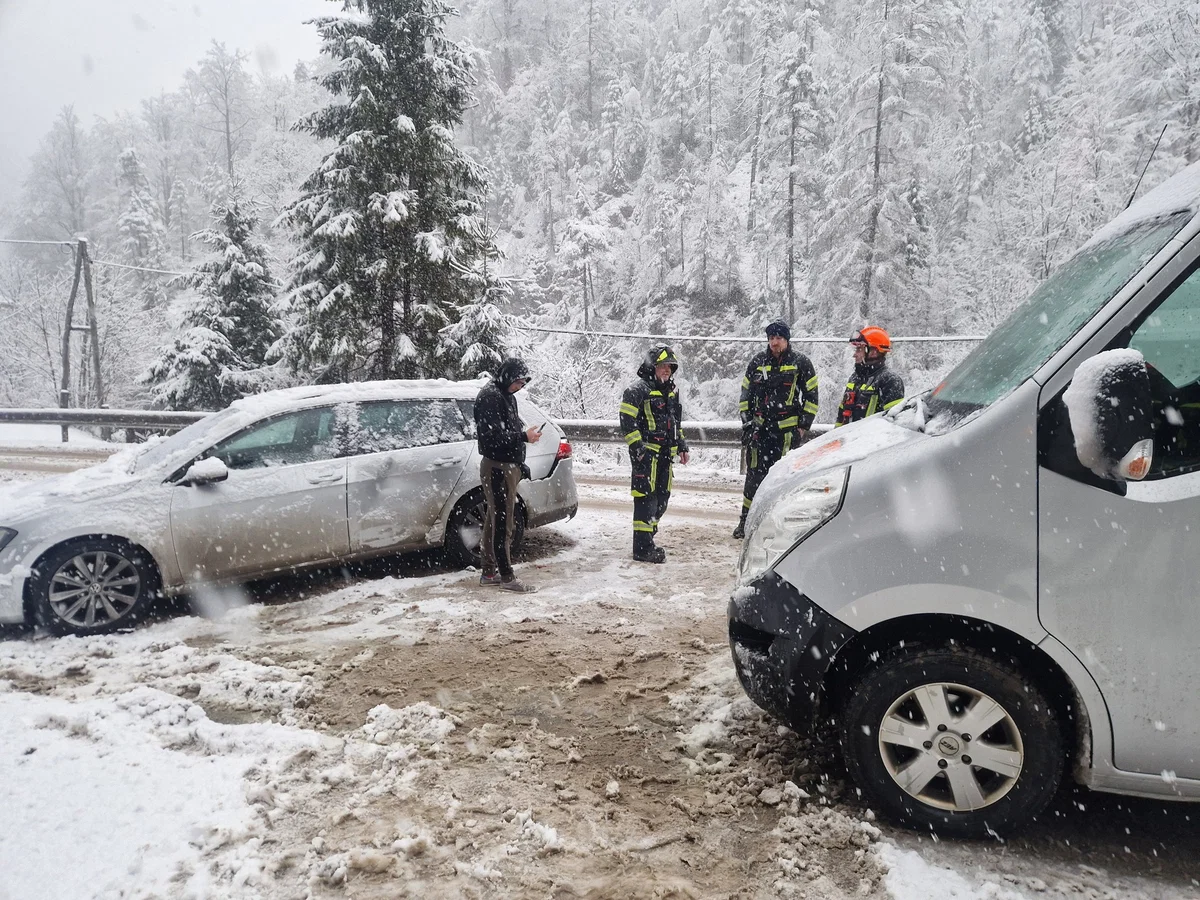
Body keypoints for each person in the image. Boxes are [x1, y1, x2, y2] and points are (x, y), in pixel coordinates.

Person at [733, 320, 819, 539]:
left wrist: (802, 428)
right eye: (771, 338)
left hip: (786, 436)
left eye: (779, 338)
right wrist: (747, 423)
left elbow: (812, 397)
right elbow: (745, 396)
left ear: (787, 340)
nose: (774, 342)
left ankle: (778, 524)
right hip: (759, 433)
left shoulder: (801, 363)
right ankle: (746, 521)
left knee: (783, 480)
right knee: (754, 478)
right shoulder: (757, 363)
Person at [473, 358, 541, 592]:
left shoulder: (506, 396)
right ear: (506, 376)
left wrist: (520, 459)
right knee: (503, 522)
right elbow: (493, 437)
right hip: (497, 467)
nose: (519, 387)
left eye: (522, 383)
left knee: (495, 521)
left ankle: (490, 571)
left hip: (507, 465)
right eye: (517, 382)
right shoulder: (490, 397)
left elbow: (509, 430)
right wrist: (523, 437)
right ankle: (506, 577)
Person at [619, 346, 690, 563]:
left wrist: (682, 445)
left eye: (669, 366)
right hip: (646, 457)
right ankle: (642, 549)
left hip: (665, 457)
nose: (666, 370)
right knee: (645, 501)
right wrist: (639, 450)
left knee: (661, 500)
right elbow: (626, 421)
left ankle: (648, 538)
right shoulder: (637, 390)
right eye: (662, 366)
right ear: (652, 367)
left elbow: (675, 423)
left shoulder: (671, 392)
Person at [835, 326, 905, 427]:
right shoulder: (855, 378)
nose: (854, 355)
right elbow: (842, 414)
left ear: (873, 352)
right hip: (849, 440)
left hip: (871, 441)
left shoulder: (890, 381)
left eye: (859, 349)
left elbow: (893, 425)